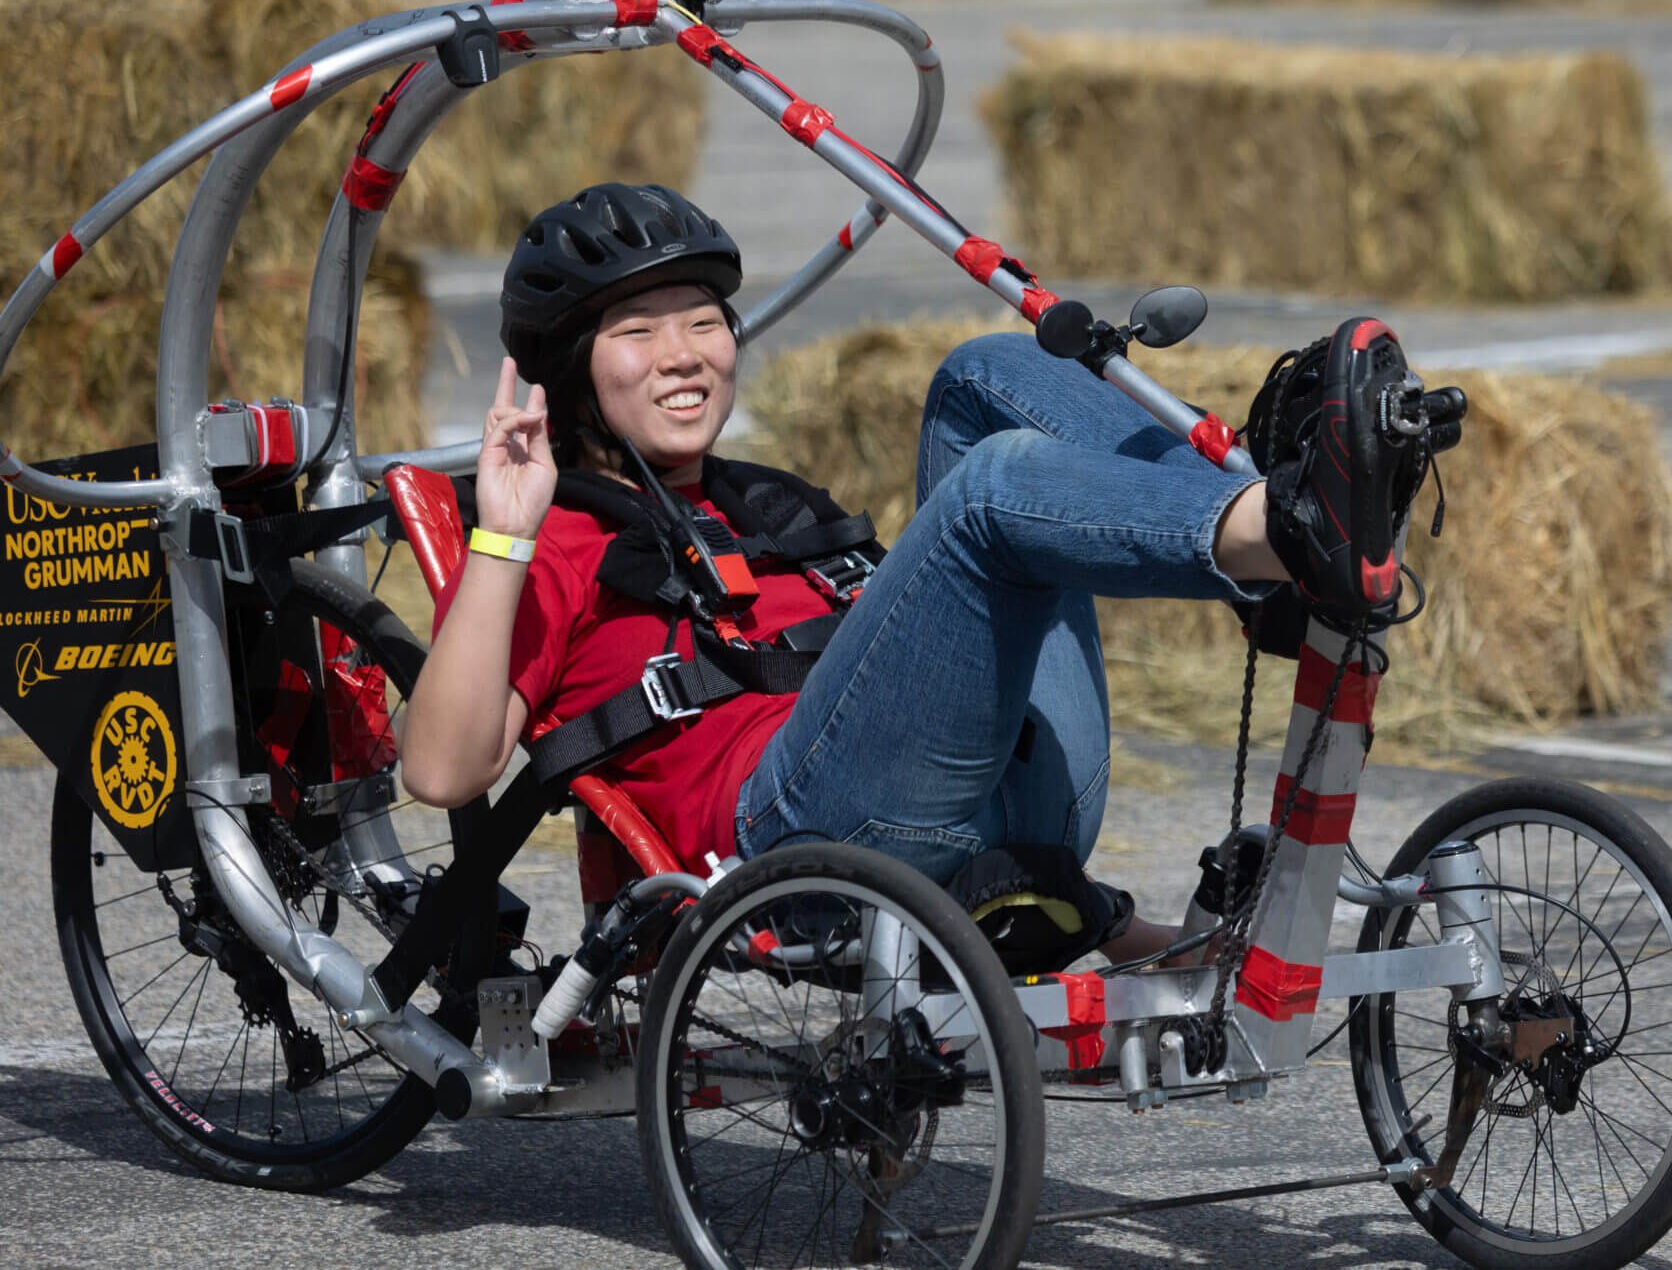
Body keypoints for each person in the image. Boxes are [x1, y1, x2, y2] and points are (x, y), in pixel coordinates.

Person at [400, 183, 1418, 966]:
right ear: (573, 368)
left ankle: (1281, 546)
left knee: (987, 375)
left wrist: (1117, 927)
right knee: (992, 490)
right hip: (804, 846)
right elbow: (444, 771)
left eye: (703, 321)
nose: (683, 355)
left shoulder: (763, 500)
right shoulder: (552, 532)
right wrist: (503, 531)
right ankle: (1286, 527)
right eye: (636, 332)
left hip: (1000, 798)